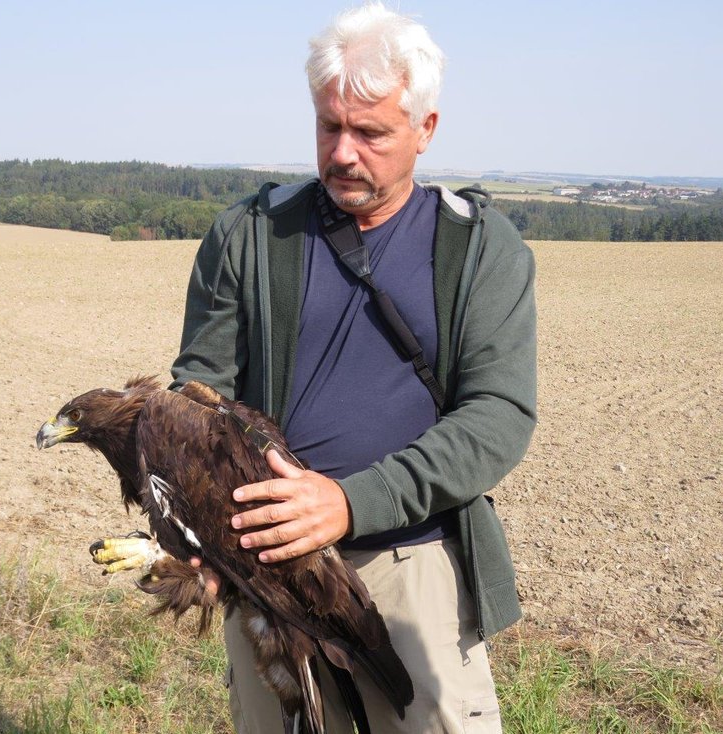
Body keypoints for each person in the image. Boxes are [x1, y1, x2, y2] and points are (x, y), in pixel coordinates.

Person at [170, 3, 536, 732]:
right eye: (329, 126)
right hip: (267, 572)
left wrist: (350, 503)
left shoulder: (480, 250)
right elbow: (197, 402)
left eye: (370, 132)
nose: (342, 153)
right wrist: (200, 530)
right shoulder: (250, 235)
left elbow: (498, 418)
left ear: (425, 129)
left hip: (411, 568)